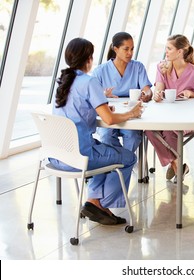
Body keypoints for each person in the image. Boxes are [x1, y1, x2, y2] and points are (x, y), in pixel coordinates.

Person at [51, 37, 143, 225]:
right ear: (89, 59)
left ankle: (93, 199)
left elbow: (78, 108)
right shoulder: (88, 81)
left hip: (57, 157)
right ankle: (101, 203)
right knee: (128, 157)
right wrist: (131, 113)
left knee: (105, 151)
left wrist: (102, 107)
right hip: (80, 157)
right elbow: (108, 120)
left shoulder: (63, 81)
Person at [145, 34, 194, 181]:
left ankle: (176, 166)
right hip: (166, 117)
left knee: (168, 130)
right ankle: (177, 165)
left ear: (179, 52)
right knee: (148, 129)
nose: (166, 51)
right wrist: (157, 95)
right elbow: (159, 87)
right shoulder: (162, 67)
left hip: (189, 119)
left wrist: (191, 93)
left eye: (169, 48)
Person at [92, 32, 152, 153]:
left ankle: (123, 165)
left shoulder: (138, 67)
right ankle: (125, 163)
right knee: (106, 136)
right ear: (115, 49)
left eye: (132, 49)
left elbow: (147, 89)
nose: (130, 53)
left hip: (131, 113)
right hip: (109, 113)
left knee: (133, 137)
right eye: (126, 49)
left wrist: (147, 95)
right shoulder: (100, 70)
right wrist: (103, 95)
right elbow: (93, 97)